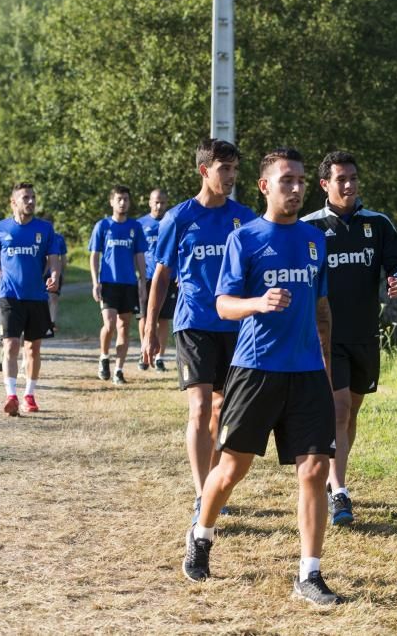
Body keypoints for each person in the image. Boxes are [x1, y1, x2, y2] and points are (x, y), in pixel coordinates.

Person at [182, 147, 341, 606]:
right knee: (232, 467)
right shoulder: (245, 239)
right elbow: (222, 304)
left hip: (307, 372)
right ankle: (202, 533)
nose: (295, 188)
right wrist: (257, 303)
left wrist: (326, 364)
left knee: (314, 469)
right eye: (286, 180)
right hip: (255, 370)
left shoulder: (315, 240)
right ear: (265, 186)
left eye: (300, 181)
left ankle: (309, 574)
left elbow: (321, 308)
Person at [143, 138, 256, 522]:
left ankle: (215, 482)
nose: (232, 177)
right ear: (205, 171)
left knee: (222, 411)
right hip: (192, 323)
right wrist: (149, 328)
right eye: (225, 169)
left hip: (235, 325)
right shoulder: (179, 218)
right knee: (200, 406)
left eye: (236, 170)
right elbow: (161, 276)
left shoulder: (245, 218)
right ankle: (202, 493)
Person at [302, 151, 397, 526]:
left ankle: (335, 475)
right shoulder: (309, 228)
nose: (348, 185)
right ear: (324, 185)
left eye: (352, 178)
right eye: (340, 179)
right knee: (339, 409)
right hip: (327, 336)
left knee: (352, 412)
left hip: (365, 334)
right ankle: (339, 491)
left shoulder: (377, 224)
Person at [0, 183, 61, 415]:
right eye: (25, 197)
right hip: (9, 296)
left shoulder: (45, 229)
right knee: (10, 345)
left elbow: (54, 257)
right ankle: (11, 396)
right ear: (13, 202)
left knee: (33, 348)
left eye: (33, 197)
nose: (30, 201)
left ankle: (29, 394)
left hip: (36, 297)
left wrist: (55, 275)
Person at [88, 185, 147, 385]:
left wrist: (142, 281)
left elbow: (140, 255)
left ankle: (119, 370)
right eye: (119, 199)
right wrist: (95, 282)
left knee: (124, 327)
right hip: (108, 283)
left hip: (129, 284)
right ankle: (104, 357)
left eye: (126, 199)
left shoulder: (135, 227)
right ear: (112, 201)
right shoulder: (103, 226)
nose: (123, 203)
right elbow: (94, 255)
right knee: (110, 324)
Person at [136, 187, 169, 371]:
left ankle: (160, 357)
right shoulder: (140, 224)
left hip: (166, 277)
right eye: (156, 202)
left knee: (164, 318)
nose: (159, 205)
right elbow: (136, 252)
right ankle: (145, 351)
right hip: (147, 276)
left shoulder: (170, 222)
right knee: (144, 316)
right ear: (149, 202)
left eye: (162, 202)